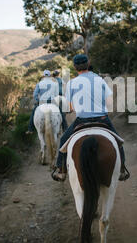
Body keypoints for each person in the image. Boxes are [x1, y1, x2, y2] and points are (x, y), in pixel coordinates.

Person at [52, 54, 130, 182]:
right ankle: (122, 169)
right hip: (102, 119)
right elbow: (109, 103)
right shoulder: (100, 80)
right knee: (118, 141)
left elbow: (70, 107)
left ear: (75, 67)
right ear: (88, 64)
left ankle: (61, 170)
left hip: (82, 120)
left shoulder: (71, 83)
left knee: (63, 141)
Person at [26, 70, 59, 135]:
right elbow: (56, 95)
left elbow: (35, 94)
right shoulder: (54, 84)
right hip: (51, 102)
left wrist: (37, 100)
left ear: (43, 75)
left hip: (41, 102)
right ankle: (64, 127)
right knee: (60, 112)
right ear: (50, 76)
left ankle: (30, 129)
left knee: (33, 113)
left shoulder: (39, 83)